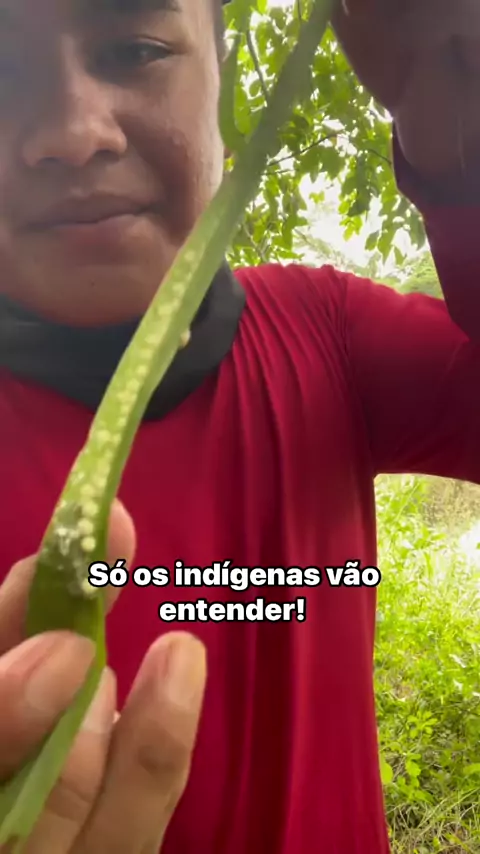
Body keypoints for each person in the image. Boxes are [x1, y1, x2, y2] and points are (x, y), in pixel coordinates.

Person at [0, 0, 479, 851]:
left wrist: (451, 125)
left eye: (135, 49)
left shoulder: (329, 331)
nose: (72, 134)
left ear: (221, 84)